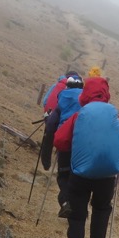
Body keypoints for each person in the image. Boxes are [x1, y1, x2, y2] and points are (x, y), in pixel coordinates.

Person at [53, 76, 119, 238]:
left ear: (86, 93)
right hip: (107, 175)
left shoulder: (81, 114)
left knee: (77, 214)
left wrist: (74, 147)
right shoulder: (114, 114)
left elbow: (60, 140)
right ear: (106, 93)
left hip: (81, 173)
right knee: (102, 208)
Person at [41, 74, 84, 217]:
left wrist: (46, 159)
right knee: (77, 174)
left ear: (67, 86)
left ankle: (65, 202)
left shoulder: (62, 101)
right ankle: (78, 208)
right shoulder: (87, 102)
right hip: (82, 144)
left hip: (64, 142)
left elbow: (51, 126)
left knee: (63, 175)